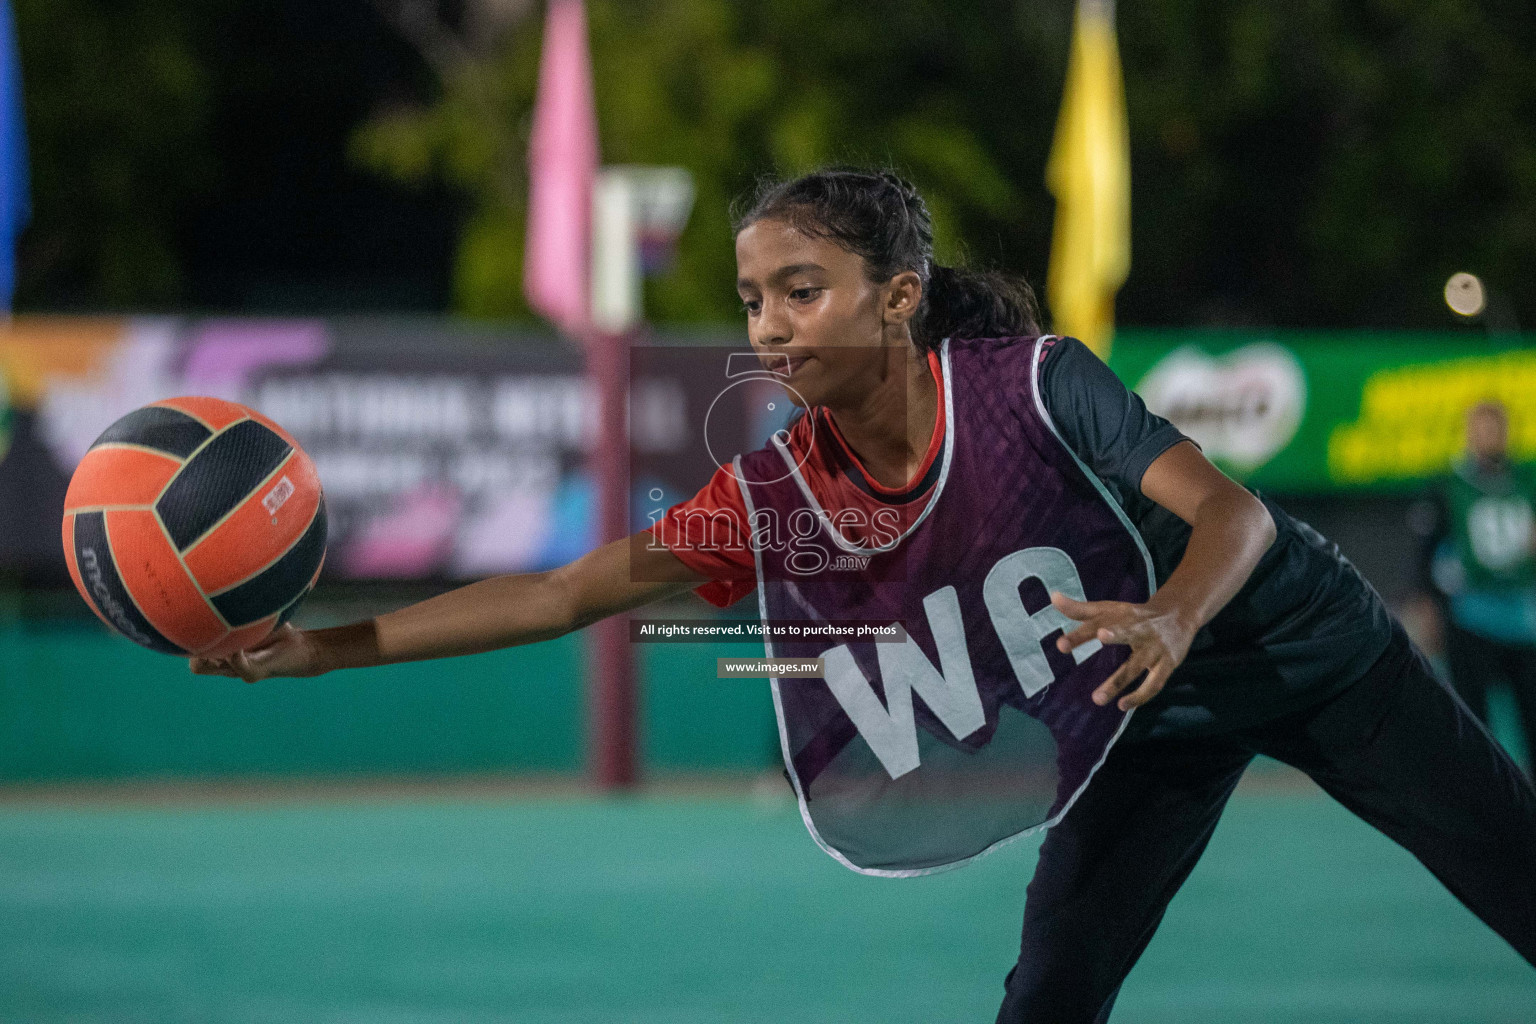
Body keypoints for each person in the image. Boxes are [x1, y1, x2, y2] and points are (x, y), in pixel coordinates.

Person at [191, 168, 1536, 1023]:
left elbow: (1233, 515)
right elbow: (561, 592)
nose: (767, 326)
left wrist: (1176, 616)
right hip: (1140, 714)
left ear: (895, 298)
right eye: (751, 298)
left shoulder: (1032, 383)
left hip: (1296, 644)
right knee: (1051, 998)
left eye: (800, 290)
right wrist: (317, 652)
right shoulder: (775, 490)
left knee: (1511, 878)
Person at [1423, 400, 1536, 773]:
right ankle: (1487, 815)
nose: (1489, 436)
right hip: (1472, 620)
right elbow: (1428, 557)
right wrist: (1435, 610)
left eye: (1495, 427)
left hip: (1524, 620)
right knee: (1475, 732)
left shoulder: (1527, 479)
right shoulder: (1449, 486)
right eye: (1481, 428)